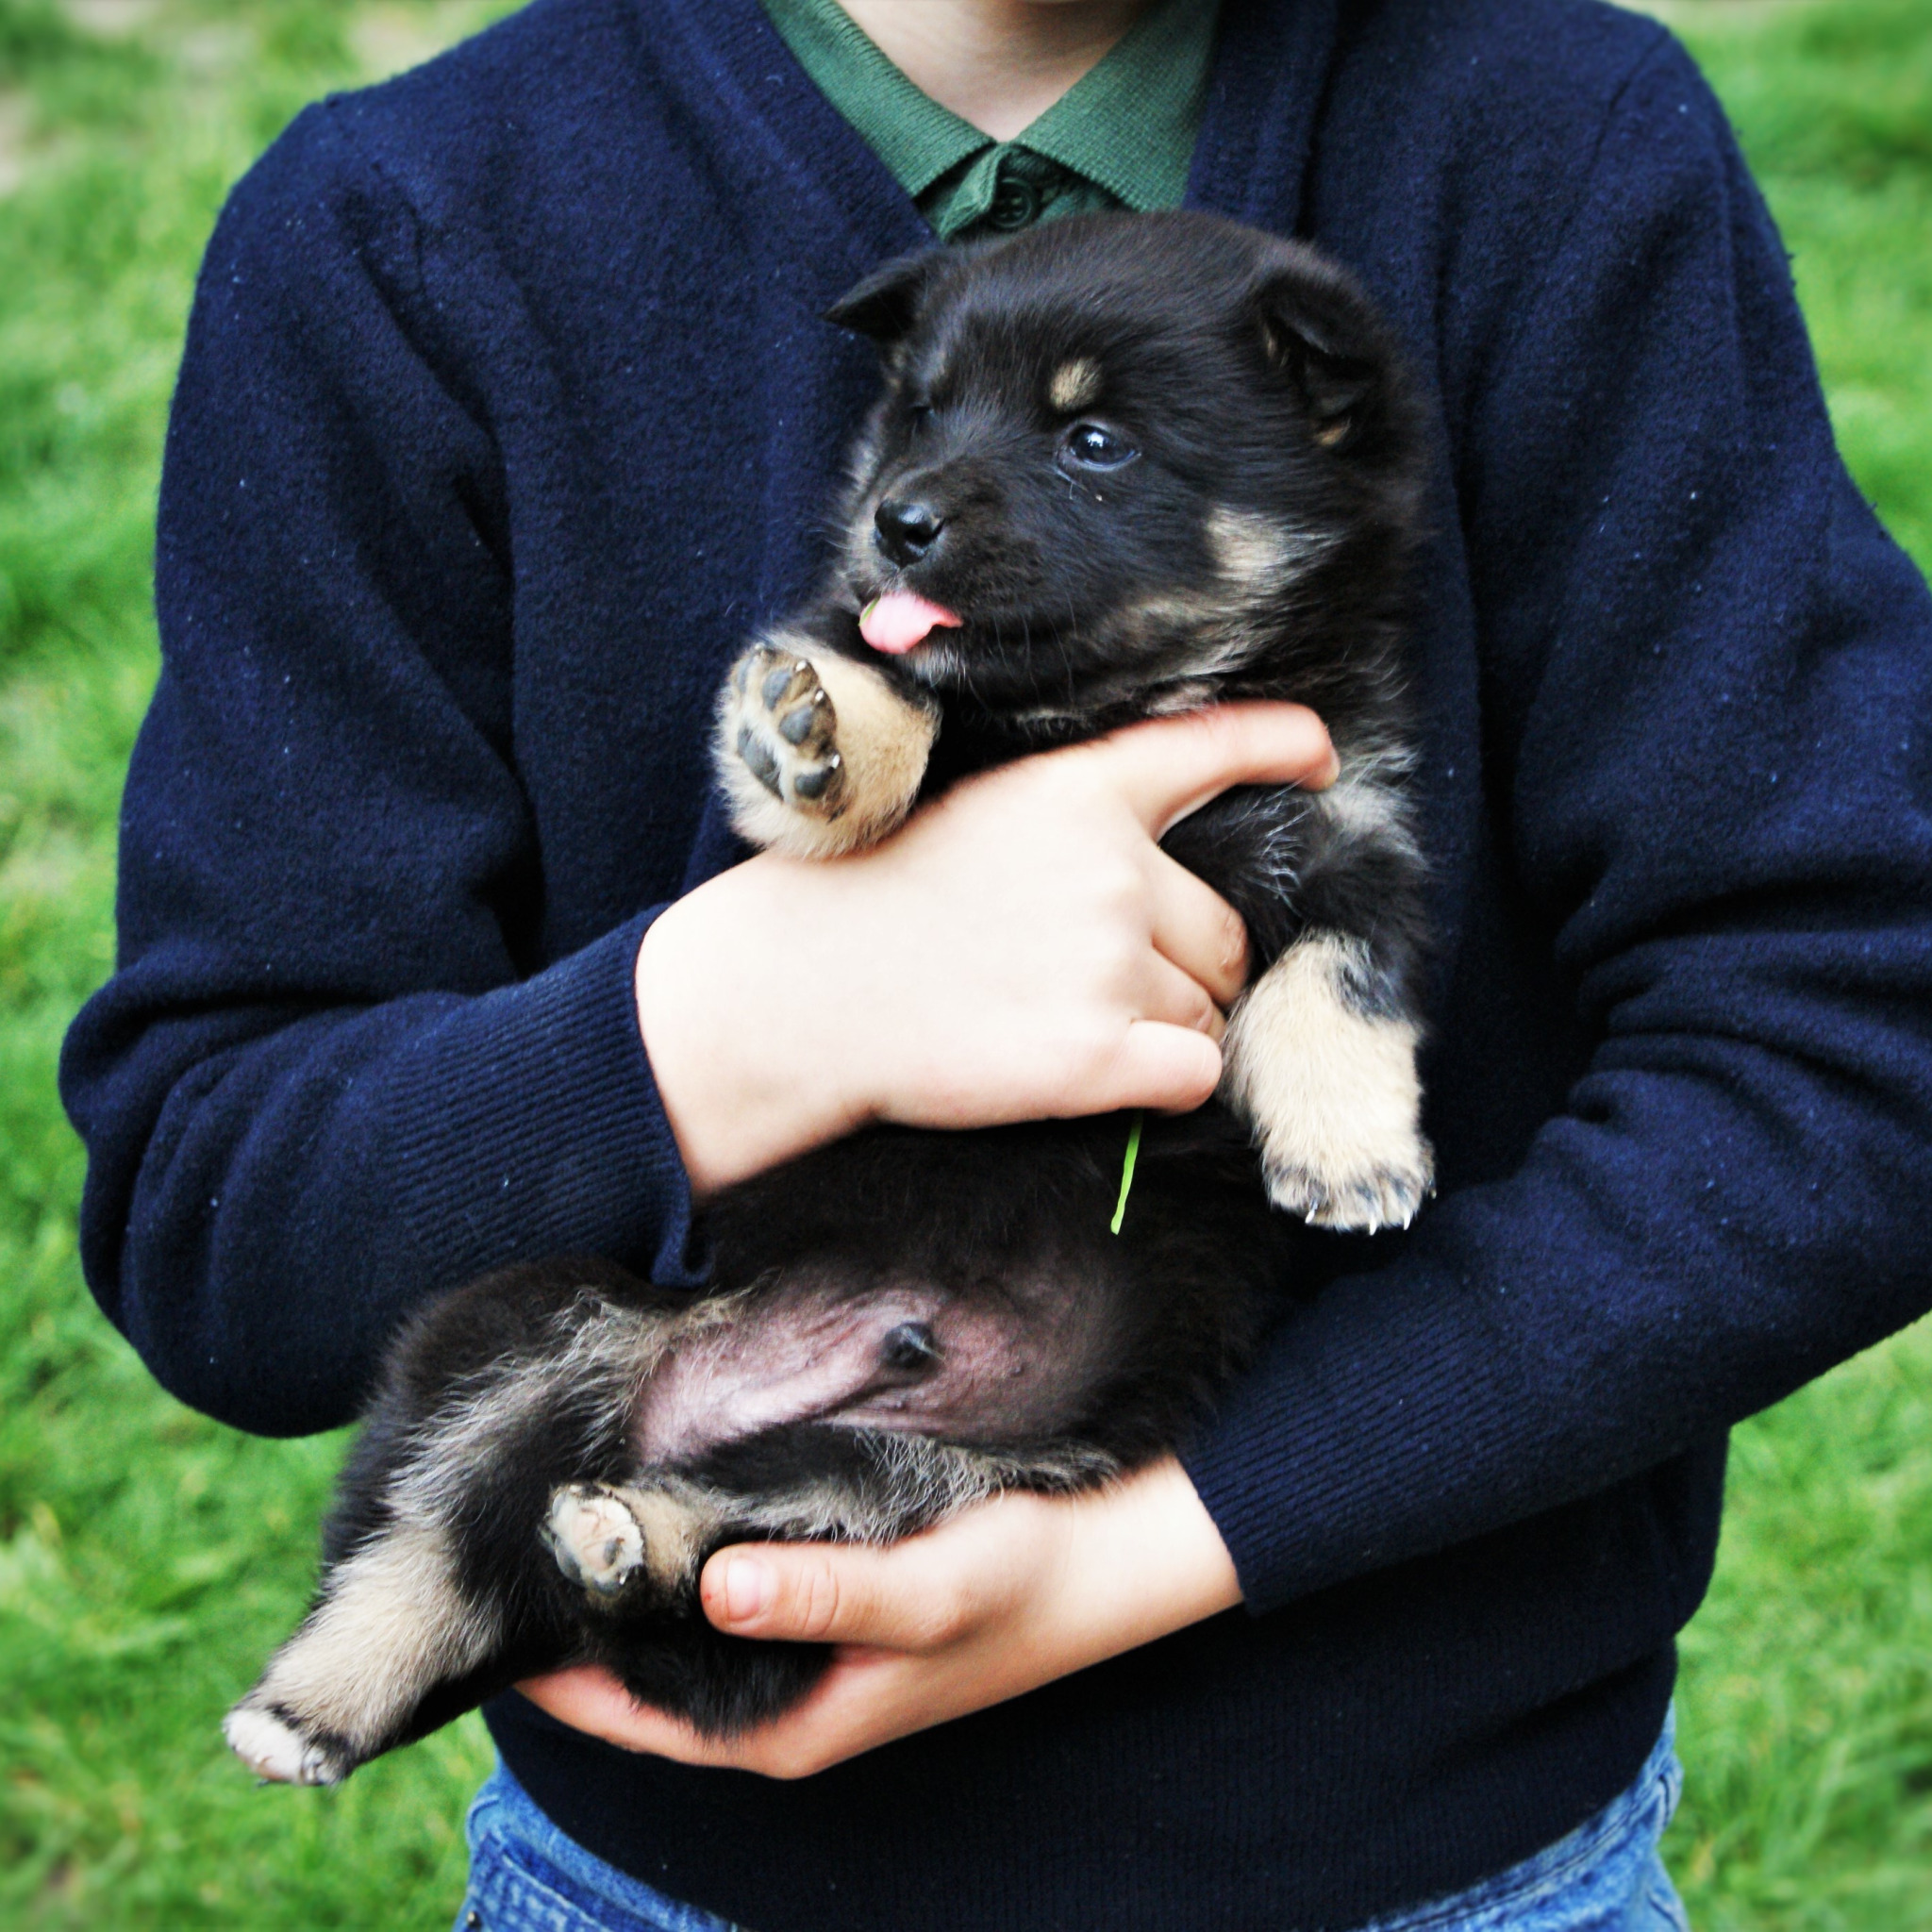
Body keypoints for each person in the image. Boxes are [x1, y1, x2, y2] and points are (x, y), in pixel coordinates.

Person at [58, 0, 1932, 1926]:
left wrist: (1171, 1537)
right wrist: (759, 1010)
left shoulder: (1546, 142)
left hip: (1455, 1864)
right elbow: (230, 1217)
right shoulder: (404, 236)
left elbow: (1864, 1042)